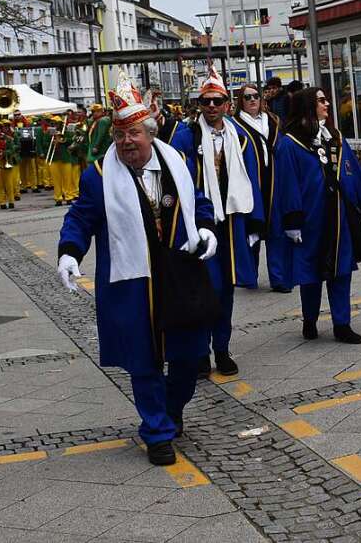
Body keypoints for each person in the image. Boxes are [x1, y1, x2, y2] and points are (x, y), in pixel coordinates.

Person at [58, 71, 217, 466]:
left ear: (150, 132)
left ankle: (169, 408)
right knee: (143, 361)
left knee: (189, 356)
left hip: (179, 273)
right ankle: (157, 432)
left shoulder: (176, 161)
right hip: (131, 281)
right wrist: (69, 252)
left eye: (134, 134)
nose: (127, 142)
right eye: (119, 135)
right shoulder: (98, 176)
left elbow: (198, 201)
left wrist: (208, 229)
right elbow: (80, 217)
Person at [171, 66, 263, 377]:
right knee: (201, 290)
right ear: (199, 104)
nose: (211, 107)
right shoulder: (185, 137)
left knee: (225, 291)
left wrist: (254, 225)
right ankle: (199, 353)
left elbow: (252, 181)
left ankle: (222, 349)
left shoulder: (241, 137)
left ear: (227, 104)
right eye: (206, 101)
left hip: (231, 225)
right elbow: (179, 183)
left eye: (217, 101)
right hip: (199, 225)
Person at [273, 87, 361, 344]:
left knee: (342, 270)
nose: (327, 104)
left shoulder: (335, 137)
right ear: (308, 106)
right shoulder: (289, 143)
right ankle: (309, 320)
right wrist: (292, 221)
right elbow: (287, 184)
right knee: (310, 272)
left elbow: (351, 170)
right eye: (321, 100)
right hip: (310, 219)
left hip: (339, 216)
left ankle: (342, 324)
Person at [234, 83, 290, 293]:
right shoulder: (235, 125)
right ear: (241, 101)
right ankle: (249, 276)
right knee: (252, 231)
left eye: (255, 96)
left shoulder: (274, 121)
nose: (252, 100)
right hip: (251, 186)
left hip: (275, 183)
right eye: (247, 97)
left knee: (277, 232)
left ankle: (279, 278)